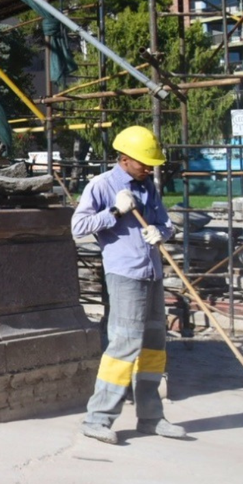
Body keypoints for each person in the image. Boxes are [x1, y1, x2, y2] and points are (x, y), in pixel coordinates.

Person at [72, 125, 184, 445]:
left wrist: (161, 233)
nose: (149, 168)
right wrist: (114, 211)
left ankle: (151, 417)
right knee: (124, 345)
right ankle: (98, 418)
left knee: (153, 345)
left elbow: (164, 223)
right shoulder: (102, 185)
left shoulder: (148, 185)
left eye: (151, 163)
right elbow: (78, 226)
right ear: (124, 159)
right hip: (124, 275)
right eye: (143, 162)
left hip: (152, 274)